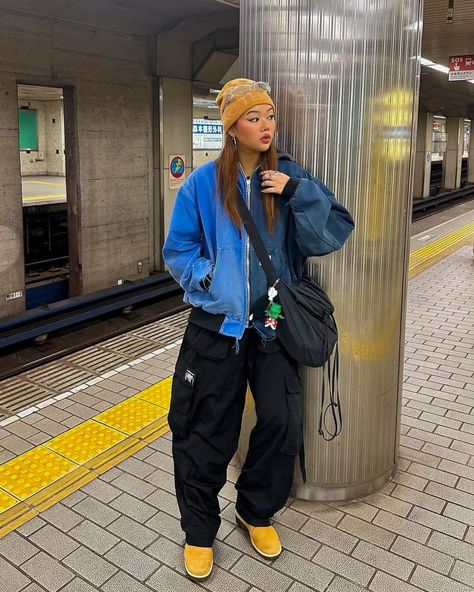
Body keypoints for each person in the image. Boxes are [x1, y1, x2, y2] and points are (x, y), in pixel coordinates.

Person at [162, 78, 354, 581]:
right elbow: (178, 250)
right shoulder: (202, 184)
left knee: (281, 420)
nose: (266, 126)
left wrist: (298, 193)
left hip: (272, 322)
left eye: (270, 116)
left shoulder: (287, 177)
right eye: (254, 117)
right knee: (206, 432)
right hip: (217, 327)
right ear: (231, 128)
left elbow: (333, 231)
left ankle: (255, 509)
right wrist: (210, 279)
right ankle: (200, 530)